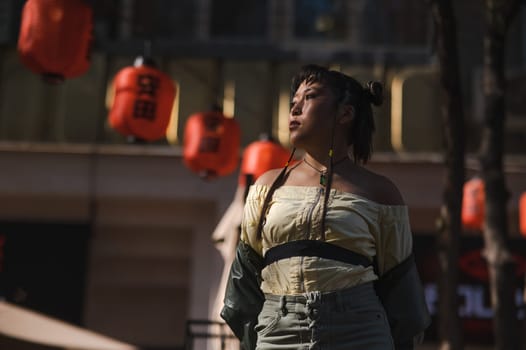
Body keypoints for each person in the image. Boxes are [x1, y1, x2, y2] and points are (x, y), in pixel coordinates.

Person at [221, 64, 429, 350]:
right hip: (277, 331)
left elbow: (401, 287)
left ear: (345, 113)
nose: (294, 108)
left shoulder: (381, 193)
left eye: (310, 98)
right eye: (293, 101)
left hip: (360, 330)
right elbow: (245, 277)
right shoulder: (267, 186)